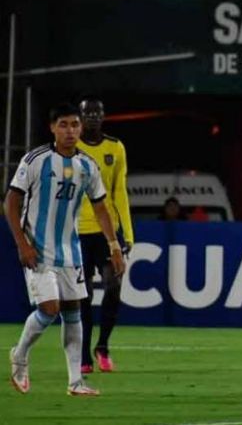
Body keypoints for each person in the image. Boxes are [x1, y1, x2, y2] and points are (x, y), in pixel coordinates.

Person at [6, 102, 125, 396]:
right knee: (49, 309)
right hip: (38, 250)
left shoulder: (87, 166)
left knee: (73, 313)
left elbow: (100, 208)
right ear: (52, 128)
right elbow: (10, 203)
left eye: (74, 124)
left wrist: (114, 245)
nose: (70, 131)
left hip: (70, 252)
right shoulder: (35, 160)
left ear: (80, 128)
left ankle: (75, 382)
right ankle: (19, 356)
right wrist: (22, 244)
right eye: (64, 125)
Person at [76, 97, 134, 374]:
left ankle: (103, 345)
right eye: (87, 113)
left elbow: (119, 192)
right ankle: (85, 352)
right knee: (82, 294)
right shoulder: (69, 148)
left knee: (113, 284)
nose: (92, 118)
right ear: (80, 116)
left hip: (108, 231)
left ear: (104, 116)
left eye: (97, 113)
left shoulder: (115, 147)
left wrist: (128, 234)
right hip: (76, 232)